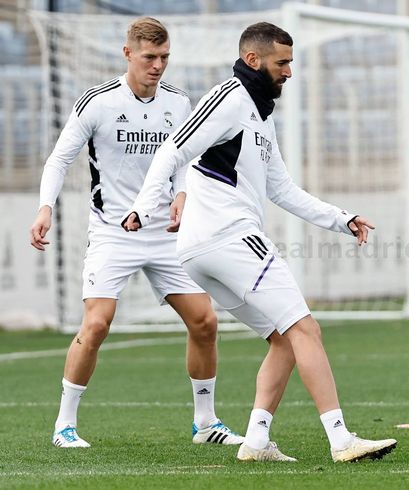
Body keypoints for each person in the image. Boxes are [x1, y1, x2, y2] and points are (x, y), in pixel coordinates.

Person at [122, 22, 398, 463]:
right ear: (253, 60)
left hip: (206, 248)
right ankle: (342, 440)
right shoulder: (228, 96)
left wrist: (341, 219)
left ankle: (255, 441)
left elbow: (283, 190)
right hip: (227, 236)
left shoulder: (260, 114)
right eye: (282, 63)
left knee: (284, 338)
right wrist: (143, 205)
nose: (289, 71)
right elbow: (172, 150)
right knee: (306, 328)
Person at [30, 17, 243, 448]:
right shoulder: (97, 102)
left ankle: (205, 423)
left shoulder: (179, 103)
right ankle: (64, 426)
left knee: (204, 321)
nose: (158, 65)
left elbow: (185, 160)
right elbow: (59, 159)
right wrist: (45, 207)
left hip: (165, 232)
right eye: (150, 57)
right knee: (97, 324)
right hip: (113, 232)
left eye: (165, 57)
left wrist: (182, 195)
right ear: (128, 54)